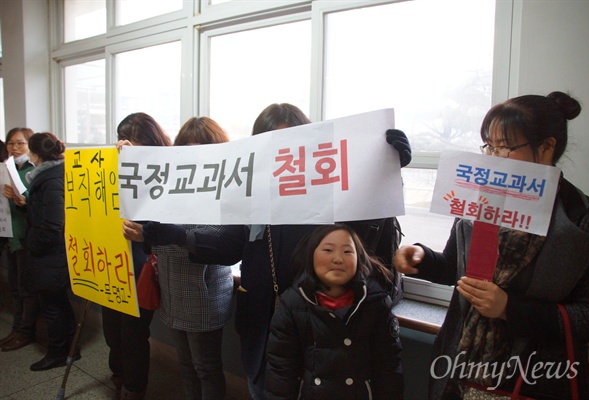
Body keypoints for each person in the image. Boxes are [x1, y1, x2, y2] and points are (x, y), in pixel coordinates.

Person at [140, 103, 412, 400]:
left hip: (322, 324)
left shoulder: (331, 188)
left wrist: (387, 172)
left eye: (291, 140)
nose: (281, 151)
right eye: (270, 142)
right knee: (264, 390)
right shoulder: (251, 190)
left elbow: (363, 240)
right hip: (262, 321)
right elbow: (230, 246)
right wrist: (179, 235)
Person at [394, 91, 589, 400]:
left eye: (504, 147)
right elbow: (456, 269)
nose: (492, 157)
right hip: (460, 369)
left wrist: (509, 309)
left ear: (545, 149)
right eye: (489, 146)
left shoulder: (583, 218)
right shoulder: (482, 200)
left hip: (534, 375)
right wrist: (422, 259)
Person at [123, 116, 234, 400]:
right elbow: (147, 219)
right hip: (172, 285)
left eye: (202, 148)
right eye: (186, 148)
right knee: (185, 363)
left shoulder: (226, 186)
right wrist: (127, 162)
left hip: (204, 291)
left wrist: (159, 234)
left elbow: (219, 241)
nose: (194, 155)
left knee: (206, 367)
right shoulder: (170, 183)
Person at [264, 224, 404, 399]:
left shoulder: (376, 305)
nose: (338, 259)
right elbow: (281, 370)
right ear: (311, 255)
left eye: (347, 252)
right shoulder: (293, 304)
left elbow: (388, 369)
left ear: (359, 259)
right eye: (328, 250)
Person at [104, 112, 172, 400]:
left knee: (132, 335)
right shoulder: (113, 167)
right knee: (112, 331)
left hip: (142, 267)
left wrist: (138, 167)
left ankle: (133, 388)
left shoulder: (169, 168)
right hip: (112, 263)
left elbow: (163, 217)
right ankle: (117, 375)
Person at [9, 132, 79, 371]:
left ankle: (58, 353)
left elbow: (52, 224)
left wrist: (33, 246)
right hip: (55, 253)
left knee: (51, 306)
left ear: (36, 155)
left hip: (50, 254)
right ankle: (72, 349)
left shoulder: (49, 179)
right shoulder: (58, 173)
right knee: (59, 301)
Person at [1, 127, 39, 352]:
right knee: (15, 287)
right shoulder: (7, 169)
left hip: (26, 237)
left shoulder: (32, 171)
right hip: (10, 235)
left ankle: (26, 331)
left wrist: (20, 201)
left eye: (20, 144)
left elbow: (36, 207)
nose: (14, 148)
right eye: (11, 143)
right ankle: (16, 328)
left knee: (26, 288)